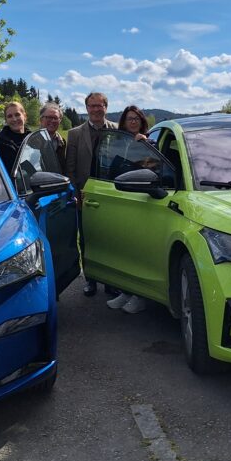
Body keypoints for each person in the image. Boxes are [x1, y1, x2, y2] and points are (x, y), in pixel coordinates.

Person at [64, 92, 117, 297]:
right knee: (87, 239)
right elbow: (70, 169)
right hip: (87, 198)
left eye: (100, 105)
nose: (96, 109)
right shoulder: (75, 134)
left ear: (106, 107)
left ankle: (111, 280)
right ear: (86, 108)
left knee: (111, 239)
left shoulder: (117, 130)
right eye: (92, 106)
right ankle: (91, 279)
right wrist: (76, 195)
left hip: (112, 197)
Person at [105, 104, 151, 314]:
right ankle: (125, 291)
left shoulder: (149, 142)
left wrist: (147, 145)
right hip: (120, 199)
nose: (132, 121)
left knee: (138, 250)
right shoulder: (118, 142)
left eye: (136, 118)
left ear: (142, 121)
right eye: (129, 118)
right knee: (122, 247)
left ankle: (140, 296)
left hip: (141, 200)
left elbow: (154, 168)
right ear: (123, 122)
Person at [0, 101, 30, 173]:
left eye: (17, 114)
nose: (14, 119)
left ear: (24, 116)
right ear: (6, 120)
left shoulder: (33, 139)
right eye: (10, 116)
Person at [38, 102, 67, 173]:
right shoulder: (32, 140)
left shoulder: (62, 142)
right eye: (49, 117)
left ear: (59, 121)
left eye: (56, 118)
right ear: (41, 119)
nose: (53, 121)